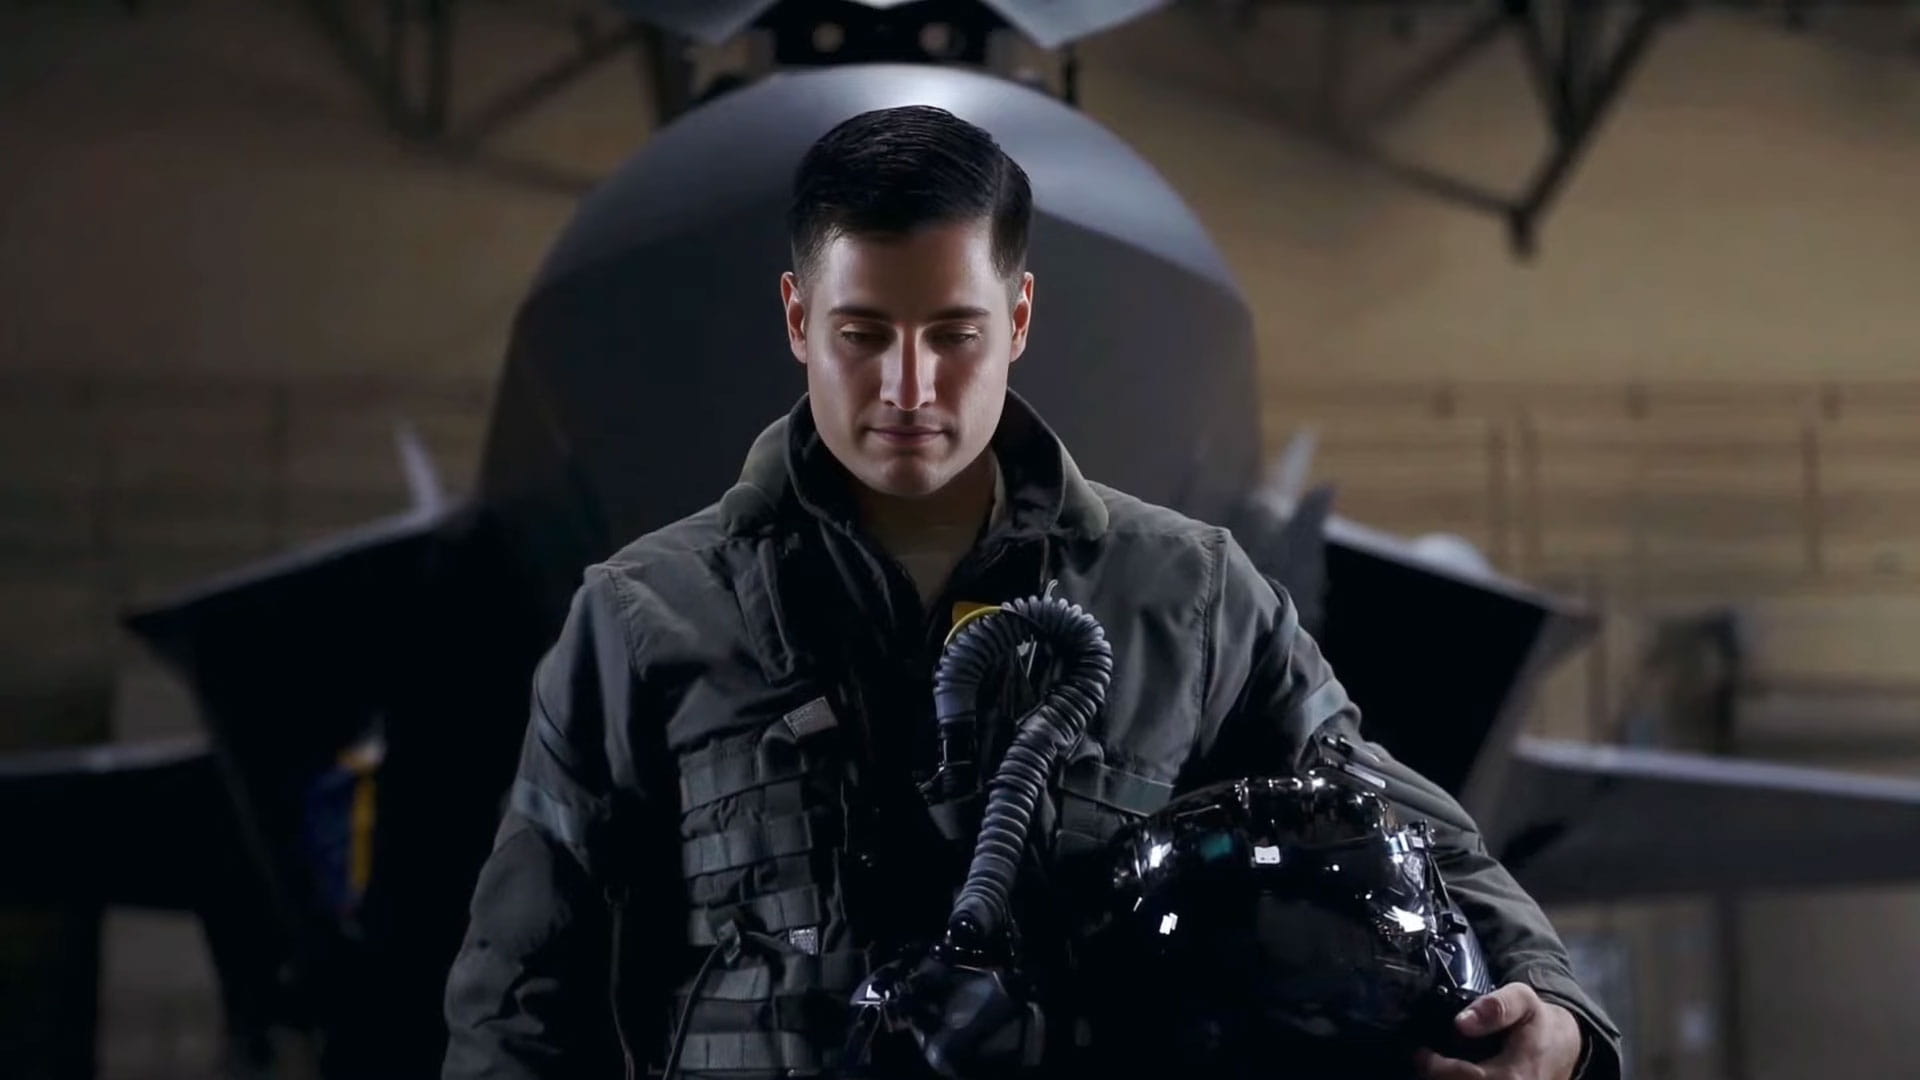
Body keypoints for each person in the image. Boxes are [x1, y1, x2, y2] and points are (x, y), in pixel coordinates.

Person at [442, 105, 1620, 1080]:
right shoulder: (648, 616)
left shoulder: (1187, 598)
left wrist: (1556, 1019)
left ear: (1019, 318)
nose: (909, 385)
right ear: (799, 321)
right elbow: (517, 995)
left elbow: (1401, 828)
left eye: (954, 333)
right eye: (865, 333)